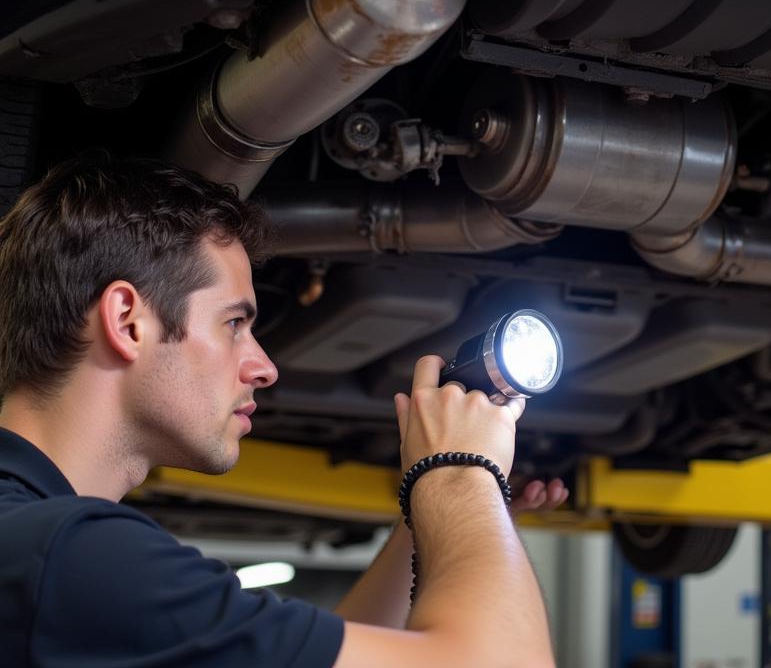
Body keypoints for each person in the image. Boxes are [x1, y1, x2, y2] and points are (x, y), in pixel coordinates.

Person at [0, 152, 566, 668]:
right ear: (128, 321)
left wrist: (444, 519)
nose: (264, 367)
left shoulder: (37, 551)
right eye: (234, 324)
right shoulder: (72, 556)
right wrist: (463, 474)